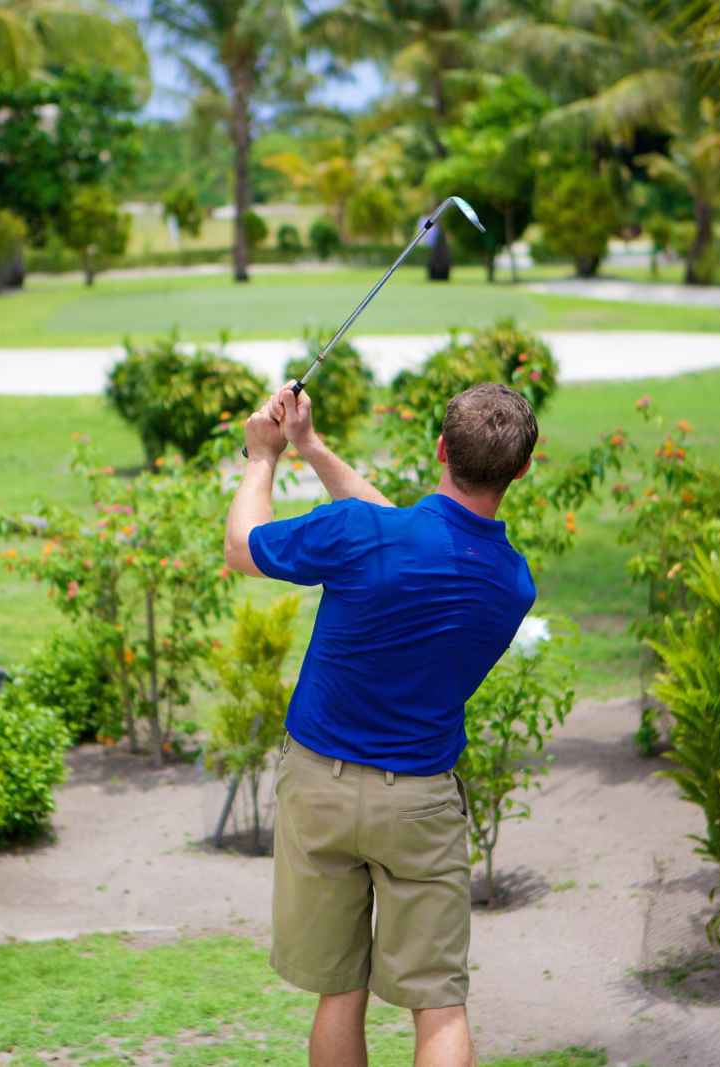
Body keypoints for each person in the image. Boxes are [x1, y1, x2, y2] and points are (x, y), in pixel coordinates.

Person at [223, 379, 540, 1067]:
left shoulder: (361, 534)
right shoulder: (512, 583)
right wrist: (312, 446)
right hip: (420, 804)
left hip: (320, 791)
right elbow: (414, 535)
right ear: (521, 469)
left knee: (340, 993)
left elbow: (243, 547)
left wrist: (264, 456)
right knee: (440, 1006)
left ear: (441, 448)